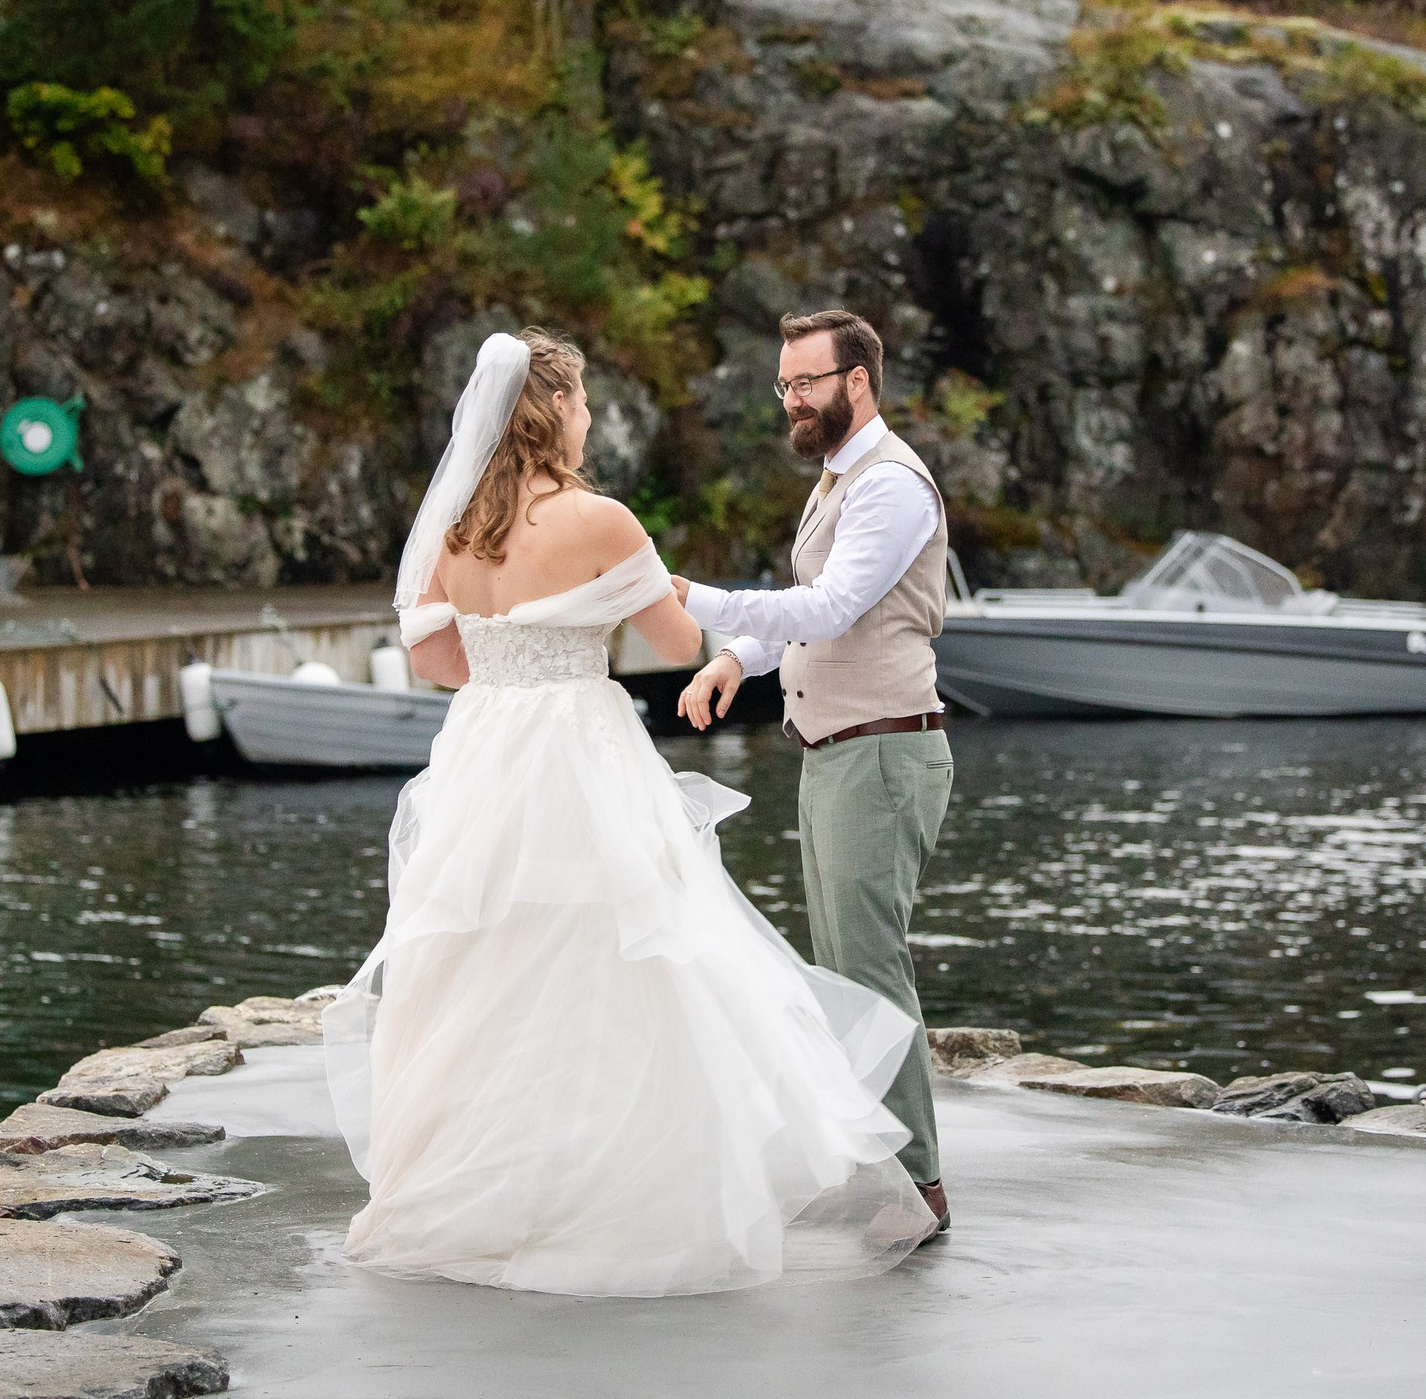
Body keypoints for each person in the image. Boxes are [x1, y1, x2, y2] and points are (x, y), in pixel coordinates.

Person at [314, 326, 938, 1297]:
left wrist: (514, 656)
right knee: (614, 957)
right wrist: (616, 621)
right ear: (554, 411)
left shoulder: (453, 529)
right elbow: (675, 634)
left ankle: (465, 1187)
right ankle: (599, 1187)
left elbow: (435, 660)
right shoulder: (599, 519)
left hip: (484, 749)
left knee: (481, 963)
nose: (592, 413)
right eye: (584, 400)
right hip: (576, 746)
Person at [673, 308, 955, 1234]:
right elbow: (803, 616)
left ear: (857, 381)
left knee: (871, 968)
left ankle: (917, 1188)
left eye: (806, 383)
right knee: (839, 969)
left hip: (884, 749)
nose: (792, 400)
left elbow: (832, 606)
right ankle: (870, 1167)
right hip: (837, 749)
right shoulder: (838, 478)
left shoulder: (892, 484)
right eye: (784, 386)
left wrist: (693, 599)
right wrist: (732, 657)